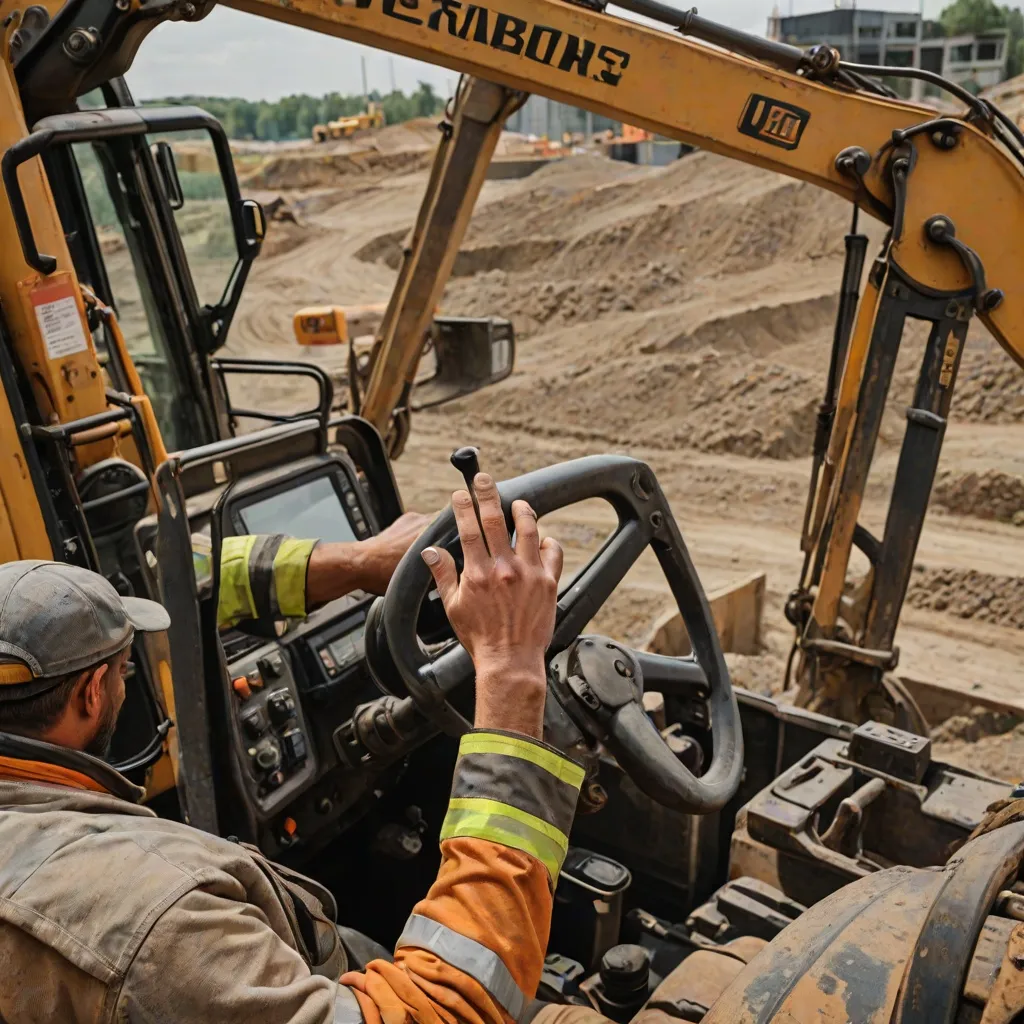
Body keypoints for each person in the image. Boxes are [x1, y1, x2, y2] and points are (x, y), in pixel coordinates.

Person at [0, 474, 577, 1024]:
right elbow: (451, 1012)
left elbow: (181, 572)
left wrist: (358, 562)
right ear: (93, 692)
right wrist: (510, 670)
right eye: (126, 667)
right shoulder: (153, 923)